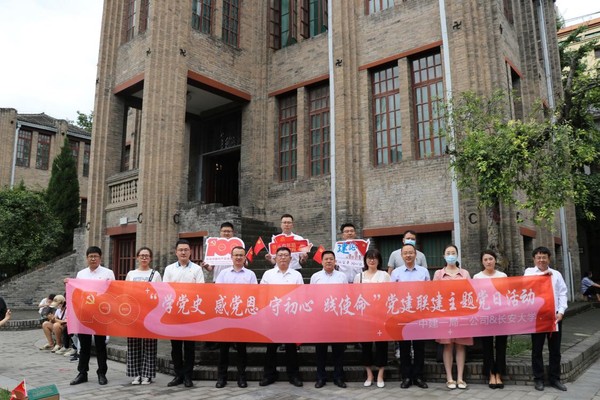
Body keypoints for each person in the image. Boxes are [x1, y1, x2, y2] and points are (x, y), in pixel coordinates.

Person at [70, 246, 115, 386]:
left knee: (101, 345)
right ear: (87, 258)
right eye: (91, 256)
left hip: (101, 315)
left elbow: (113, 292)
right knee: (84, 346)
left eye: (96, 256)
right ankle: (82, 373)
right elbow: (76, 293)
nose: (93, 259)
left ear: (100, 258)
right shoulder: (81, 274)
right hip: (84, 315)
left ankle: (102, 373)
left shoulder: (108, 273)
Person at [524, 246, 568, 392]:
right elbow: (526, 285)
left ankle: (555, 378)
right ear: (534, 259)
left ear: (549, 259)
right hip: (537, 317)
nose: (541, 260)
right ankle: (538, 379)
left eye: (544, 257)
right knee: (537, 349)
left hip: (555, 317)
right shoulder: (529, 272)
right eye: (538, 257)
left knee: (555, 349)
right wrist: (544, 276)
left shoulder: (556, 274)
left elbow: (562, 293)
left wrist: (561, 312)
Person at [259, 246, 304, 387]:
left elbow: (301, 295)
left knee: (291, 348)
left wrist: (299, 315)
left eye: (286, 255)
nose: (283, 257)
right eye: (280, 255)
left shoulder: (296, 275)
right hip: (272, 316)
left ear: (290, 258)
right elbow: (262, 295)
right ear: (275, 258)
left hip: (290, 315)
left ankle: (293, 375)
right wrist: (264, 315)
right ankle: (269, 375)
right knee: (271, 348)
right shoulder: (268, 274)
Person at [163, 239, 205, 388]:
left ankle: (188, 376)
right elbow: (165, 290)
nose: (183, 252)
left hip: (190, 313)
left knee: (189, 347)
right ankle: (178, 375)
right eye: (180, 250)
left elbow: (200, 290)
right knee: (175, 346)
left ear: (190, 252)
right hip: (174, 313)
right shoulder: (169, 269)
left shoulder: (197, 269)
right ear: (176, 252)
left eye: (186, 250)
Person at [214, 246, 258, 389]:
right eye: (236, 255)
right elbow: (218, 291)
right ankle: (222, 377)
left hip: (243, 316)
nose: (238, 257)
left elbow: (254, 293)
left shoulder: (250, 274)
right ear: (231, 257)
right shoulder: (223, 274)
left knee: (241, 349)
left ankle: (242, 377)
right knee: (223, 349)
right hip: (226, 315)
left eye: (241, 255)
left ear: (245, 257)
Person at [390, 243, 430, 389]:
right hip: (402, 314)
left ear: (415, 254)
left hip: (419, 313)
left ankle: (418, 376)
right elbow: (392, 293)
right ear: (401, 255)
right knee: (404, 346)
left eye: (411, 252)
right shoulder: (396, 273)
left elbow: (429, 291)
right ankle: (406, 376)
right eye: (405, 253)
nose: (408, 255)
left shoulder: (423, 271)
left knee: (419, 346)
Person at [433, 244, 472, 390]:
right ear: (444, 256)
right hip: (445, 314)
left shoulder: (465, 273)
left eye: (453, 252)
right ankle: (449, 378)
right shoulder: (438, 274)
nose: (451, 255)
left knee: (461, 345)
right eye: (448, 253)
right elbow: (434, 293)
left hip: (462, 314)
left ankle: (460, 378)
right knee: (447, 345)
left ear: (457, 255)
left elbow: (470, 292)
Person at [310, 250, 347, 389]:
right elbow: (312, 296)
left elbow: (346, 295)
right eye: (326, 259)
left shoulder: (342, 276)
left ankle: (339, 377)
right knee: (320, 351)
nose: (329, 261)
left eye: (331, 259)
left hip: (338, 318)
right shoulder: (315, 277)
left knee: (338, 350)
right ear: (321, 261)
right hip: (321, 318)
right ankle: (321, 378)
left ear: (335, 261)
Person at [354, 249, 390, 388]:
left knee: (382, 345)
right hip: (365, 316)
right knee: (366, 346)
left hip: (381, 315)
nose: (372, 260)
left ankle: (380, 374)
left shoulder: (385, 275)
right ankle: (369, 374)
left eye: (375, 257)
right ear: (365, 260)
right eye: (369, 257)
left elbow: (389, 295)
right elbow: (355, 296)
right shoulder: (359, 276)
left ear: (379, 260)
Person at [125, 247, 162, 385]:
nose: (144, 258)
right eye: (142, 255)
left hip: (150, 314)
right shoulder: (131, 274)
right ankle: (136, 374)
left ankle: (147, 375)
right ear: (137, 257)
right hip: (134, 313)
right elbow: (126, 293)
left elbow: (160, 293)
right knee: (133, 344)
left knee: (150, 345)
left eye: (147, 255)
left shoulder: (155, 274)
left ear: (150, 258)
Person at [473, 250, 508, 389]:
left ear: (495, 260)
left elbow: (506, 294)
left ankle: (499, 373)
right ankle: (490, 374)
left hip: (500, 316)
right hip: (485, 316)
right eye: (486, 259)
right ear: (482, 262)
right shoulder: (477, 277)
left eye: (491, 259)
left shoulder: (502, 276)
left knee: (501, 346)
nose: (488, 262)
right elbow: (475, 296)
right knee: (487, 346)